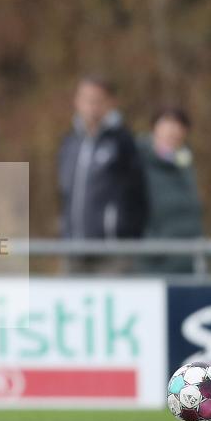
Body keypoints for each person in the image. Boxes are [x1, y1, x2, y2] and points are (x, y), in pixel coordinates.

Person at [57, 76, 147, 273]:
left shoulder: (123, 142)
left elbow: (139, 194)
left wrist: (125, 232)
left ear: (110, 103)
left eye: (97, 100)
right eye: (86, 99)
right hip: (74, 248)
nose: (91, 106)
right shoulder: (70, 142)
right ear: (77, 102)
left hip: (113, 252)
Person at [137, 107, 203, 274]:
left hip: (187, 258)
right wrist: (151, 246)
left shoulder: (186, 165)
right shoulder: (137, 163)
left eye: (178, 126)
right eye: (166, 124)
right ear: (154, 128)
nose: (172, 131)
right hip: (152, 260)